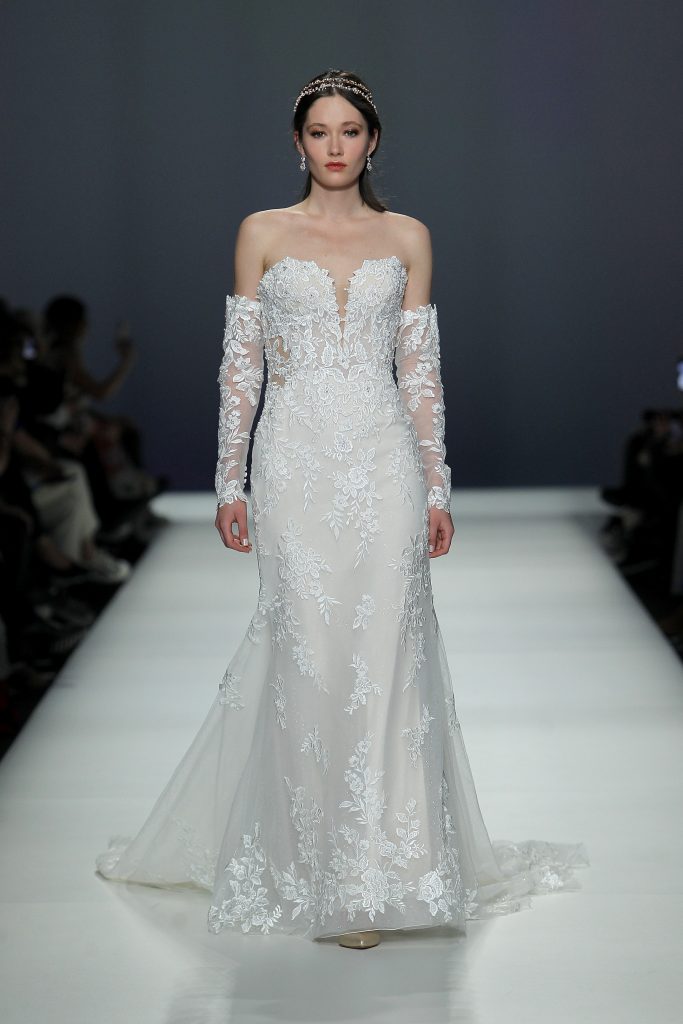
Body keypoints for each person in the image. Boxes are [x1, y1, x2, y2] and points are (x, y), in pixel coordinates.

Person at [96, 70, 589, 949]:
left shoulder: (407, 237)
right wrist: (229, 480)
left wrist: (435, 484)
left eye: (349, 131)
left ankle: (374, 878)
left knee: (386, 657)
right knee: (308, 654)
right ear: (297, 143)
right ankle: (313, 864)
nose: (334, 146)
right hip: (292, 463)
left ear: (371, 141)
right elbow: (241, 366)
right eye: (319, 131)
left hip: (382, 459)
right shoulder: (260, 233)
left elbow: (420, 372)